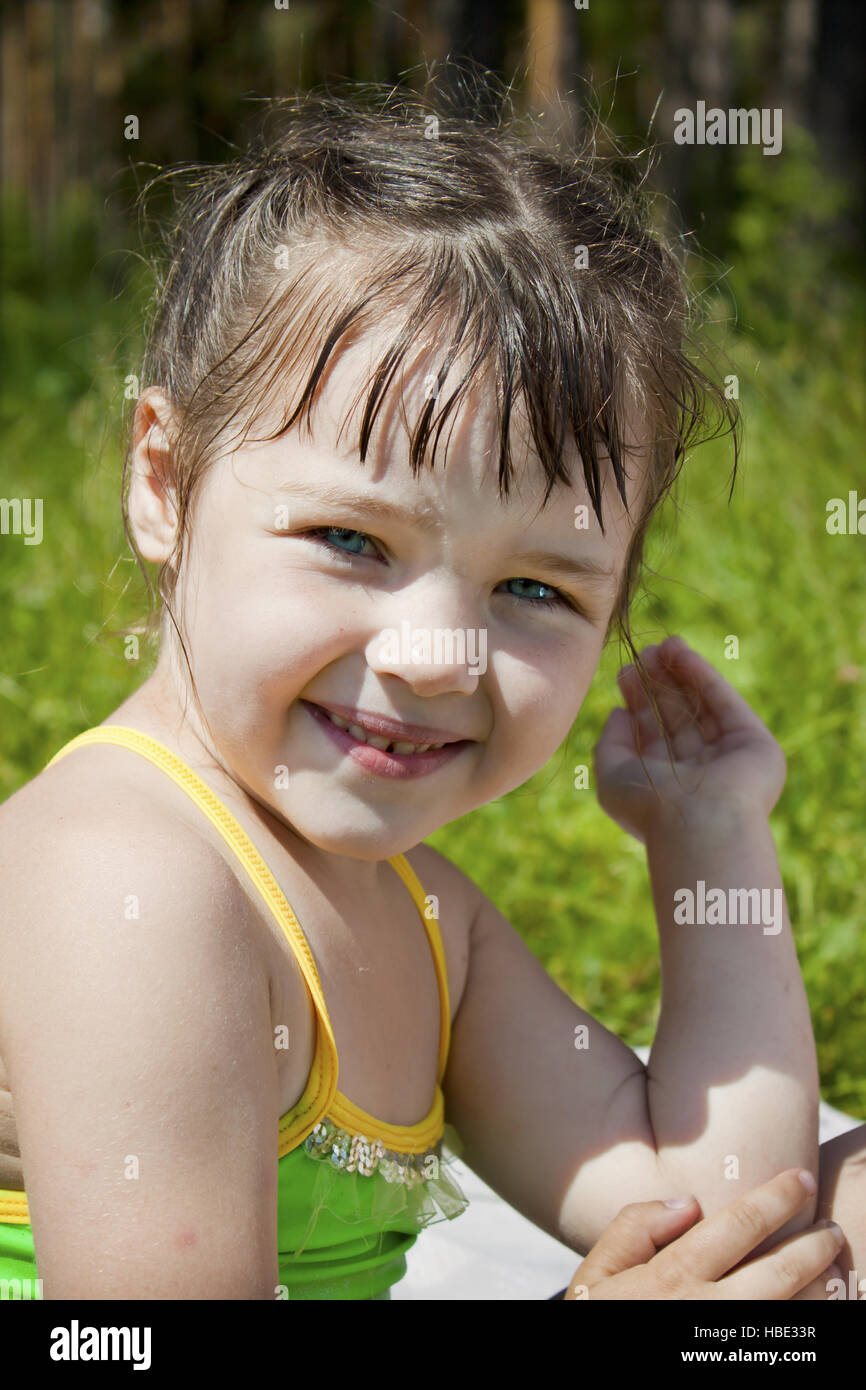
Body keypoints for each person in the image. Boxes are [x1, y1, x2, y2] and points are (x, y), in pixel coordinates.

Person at [0, 76, 856, 1300]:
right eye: (352, 542)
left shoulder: (422, 919)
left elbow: (719, 1224)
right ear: (163, 481)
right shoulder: (126, 879)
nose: (436, 654)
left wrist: (712, 837)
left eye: (535, 592)